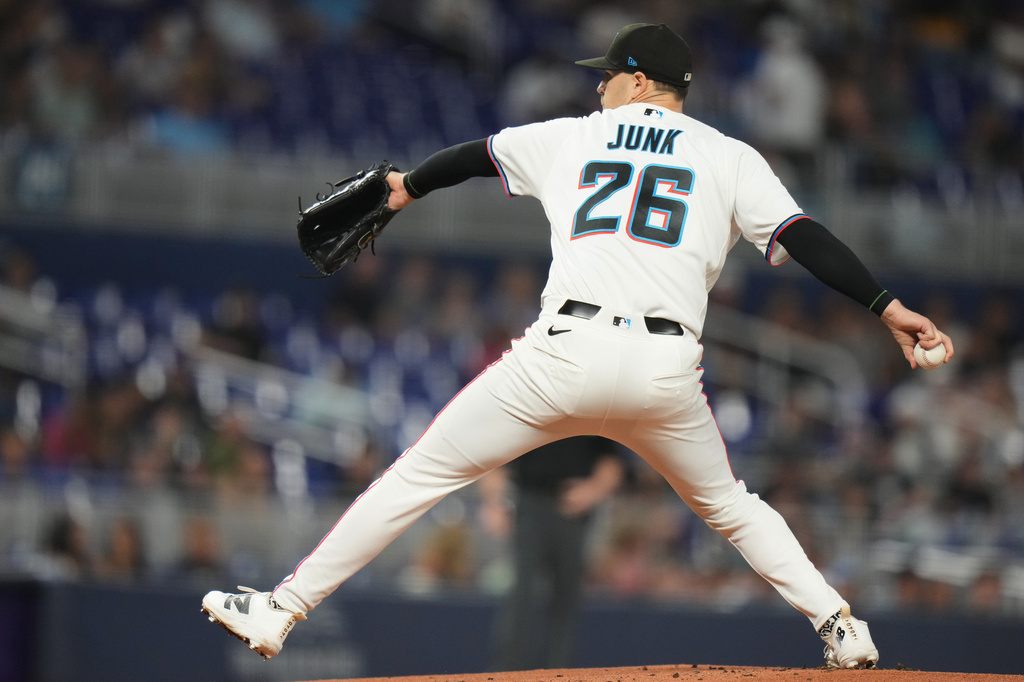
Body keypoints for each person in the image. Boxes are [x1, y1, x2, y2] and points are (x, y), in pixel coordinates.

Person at [202, 23, 954, 669]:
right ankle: (839, 625)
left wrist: (404, 188)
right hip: (667, 371)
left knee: (417, 477)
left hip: (562, 356)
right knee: (731, 505)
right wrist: (886, 307)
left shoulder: (574, 137)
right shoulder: (730, 157)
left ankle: (283, 608)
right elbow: (805, 239)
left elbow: (471, 155)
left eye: (607, 78)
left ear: (637, 80)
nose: (599, 90)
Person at [490, 436, 626, 670]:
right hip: (529, 502)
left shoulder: (588, 410)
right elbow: (495, 456)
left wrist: (593, 490)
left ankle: (557, 672)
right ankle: (507, 672)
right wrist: (494, 502)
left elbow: (612, 462)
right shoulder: (531, 403)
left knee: (566, 595)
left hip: (573, 509)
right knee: (522, 593)